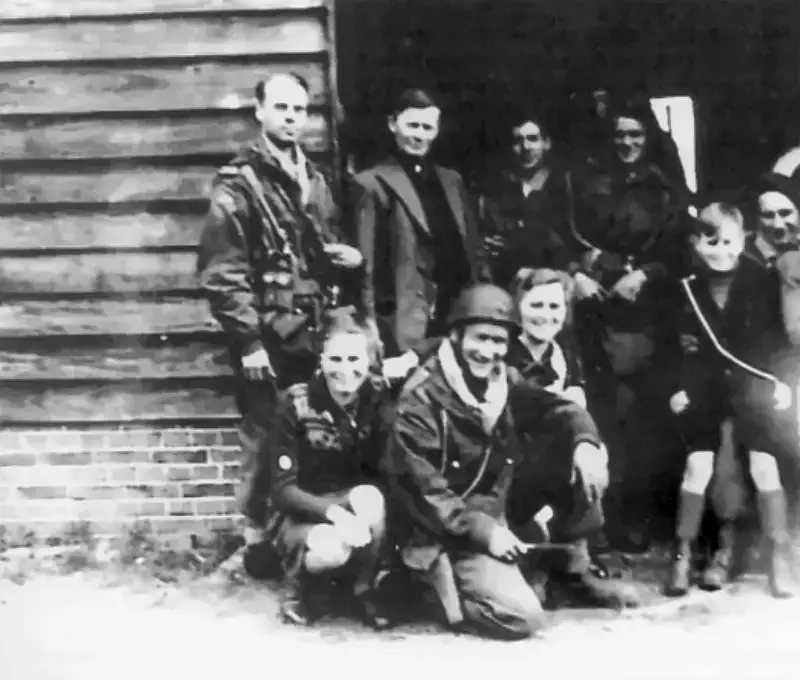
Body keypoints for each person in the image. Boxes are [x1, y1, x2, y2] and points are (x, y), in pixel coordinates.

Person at [381, 283, 606, 639]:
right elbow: (427, 494)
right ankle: (430, 585)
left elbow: (556, 408)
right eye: (480, 339)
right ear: (455, 337)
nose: (488, 352)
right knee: (523, 619)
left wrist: (586, 443)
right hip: (445, 526)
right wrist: (486, 534)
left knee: (574, 450)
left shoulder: (503, 380)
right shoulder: (419, 401)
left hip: (493, 507)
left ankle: (572, 573)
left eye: (498, 342)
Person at [197, 73, 366, 539]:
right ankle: (254, 539)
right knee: (265, 430)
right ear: (260, 111)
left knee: (310, 431)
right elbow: (223, 272)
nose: (292, 118)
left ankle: (300, 533)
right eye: (282, 108)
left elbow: (324, 247)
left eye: (300, 110)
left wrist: (348, 257)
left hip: (312, 329)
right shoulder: (239, 184)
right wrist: (249, 341)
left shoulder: (313, 178)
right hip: (268, 334)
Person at [571, 96, 691, 551]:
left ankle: (645, 515)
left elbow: (680, 250)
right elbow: (564, 233)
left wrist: (646, 274)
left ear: (649, 139)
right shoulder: (587, 181)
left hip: (649, 315)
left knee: (646, 416)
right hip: (598, 313)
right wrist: (586, 266)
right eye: (620, 135)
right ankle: (606, 518)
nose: (627, 143)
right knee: (605, 413)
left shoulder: (665, 187)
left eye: (635, 136)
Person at [665, 201, 795, 598]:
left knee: (764, 467)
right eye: (710, 242)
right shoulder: (685, 287)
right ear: (696, 244)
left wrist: (783, 382)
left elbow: (778, 341)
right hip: (705, 389)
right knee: (697, 467)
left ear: (742, 241)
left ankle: (778, 555)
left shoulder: (762, 281)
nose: (720, 250)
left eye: (728, 241)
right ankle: (682, 556)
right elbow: (675, 347)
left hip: (753, 386)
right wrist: (677, 387)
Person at [251, 307, 393, 628]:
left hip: (345, 498)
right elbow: (282, 489)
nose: (346, 370)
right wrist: (335, 514)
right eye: (336, 360)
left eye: (355, 360)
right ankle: (303, 589)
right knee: (332, 547)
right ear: (321, 360)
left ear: (369, 361)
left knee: (372, 498)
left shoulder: (375, 398)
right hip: (298, 510)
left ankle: (363, 588)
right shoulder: (295, 404)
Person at [350, 88, 486, 359]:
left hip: (454, 311)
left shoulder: (451, 181)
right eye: (412, 125)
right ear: (393, 124)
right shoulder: (371, 183)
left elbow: (472, 251)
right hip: (404, 316)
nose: (419, 135)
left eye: (427, 127)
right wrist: (368, 324)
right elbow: (367, 265)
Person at [475, 107, 585, 289]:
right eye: (519, 141)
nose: (526, 147)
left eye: (533, 139)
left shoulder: (564, 187)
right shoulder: (495, 191)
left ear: (546, 143)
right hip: (508, 280)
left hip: (560, 280)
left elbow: (572, 242)